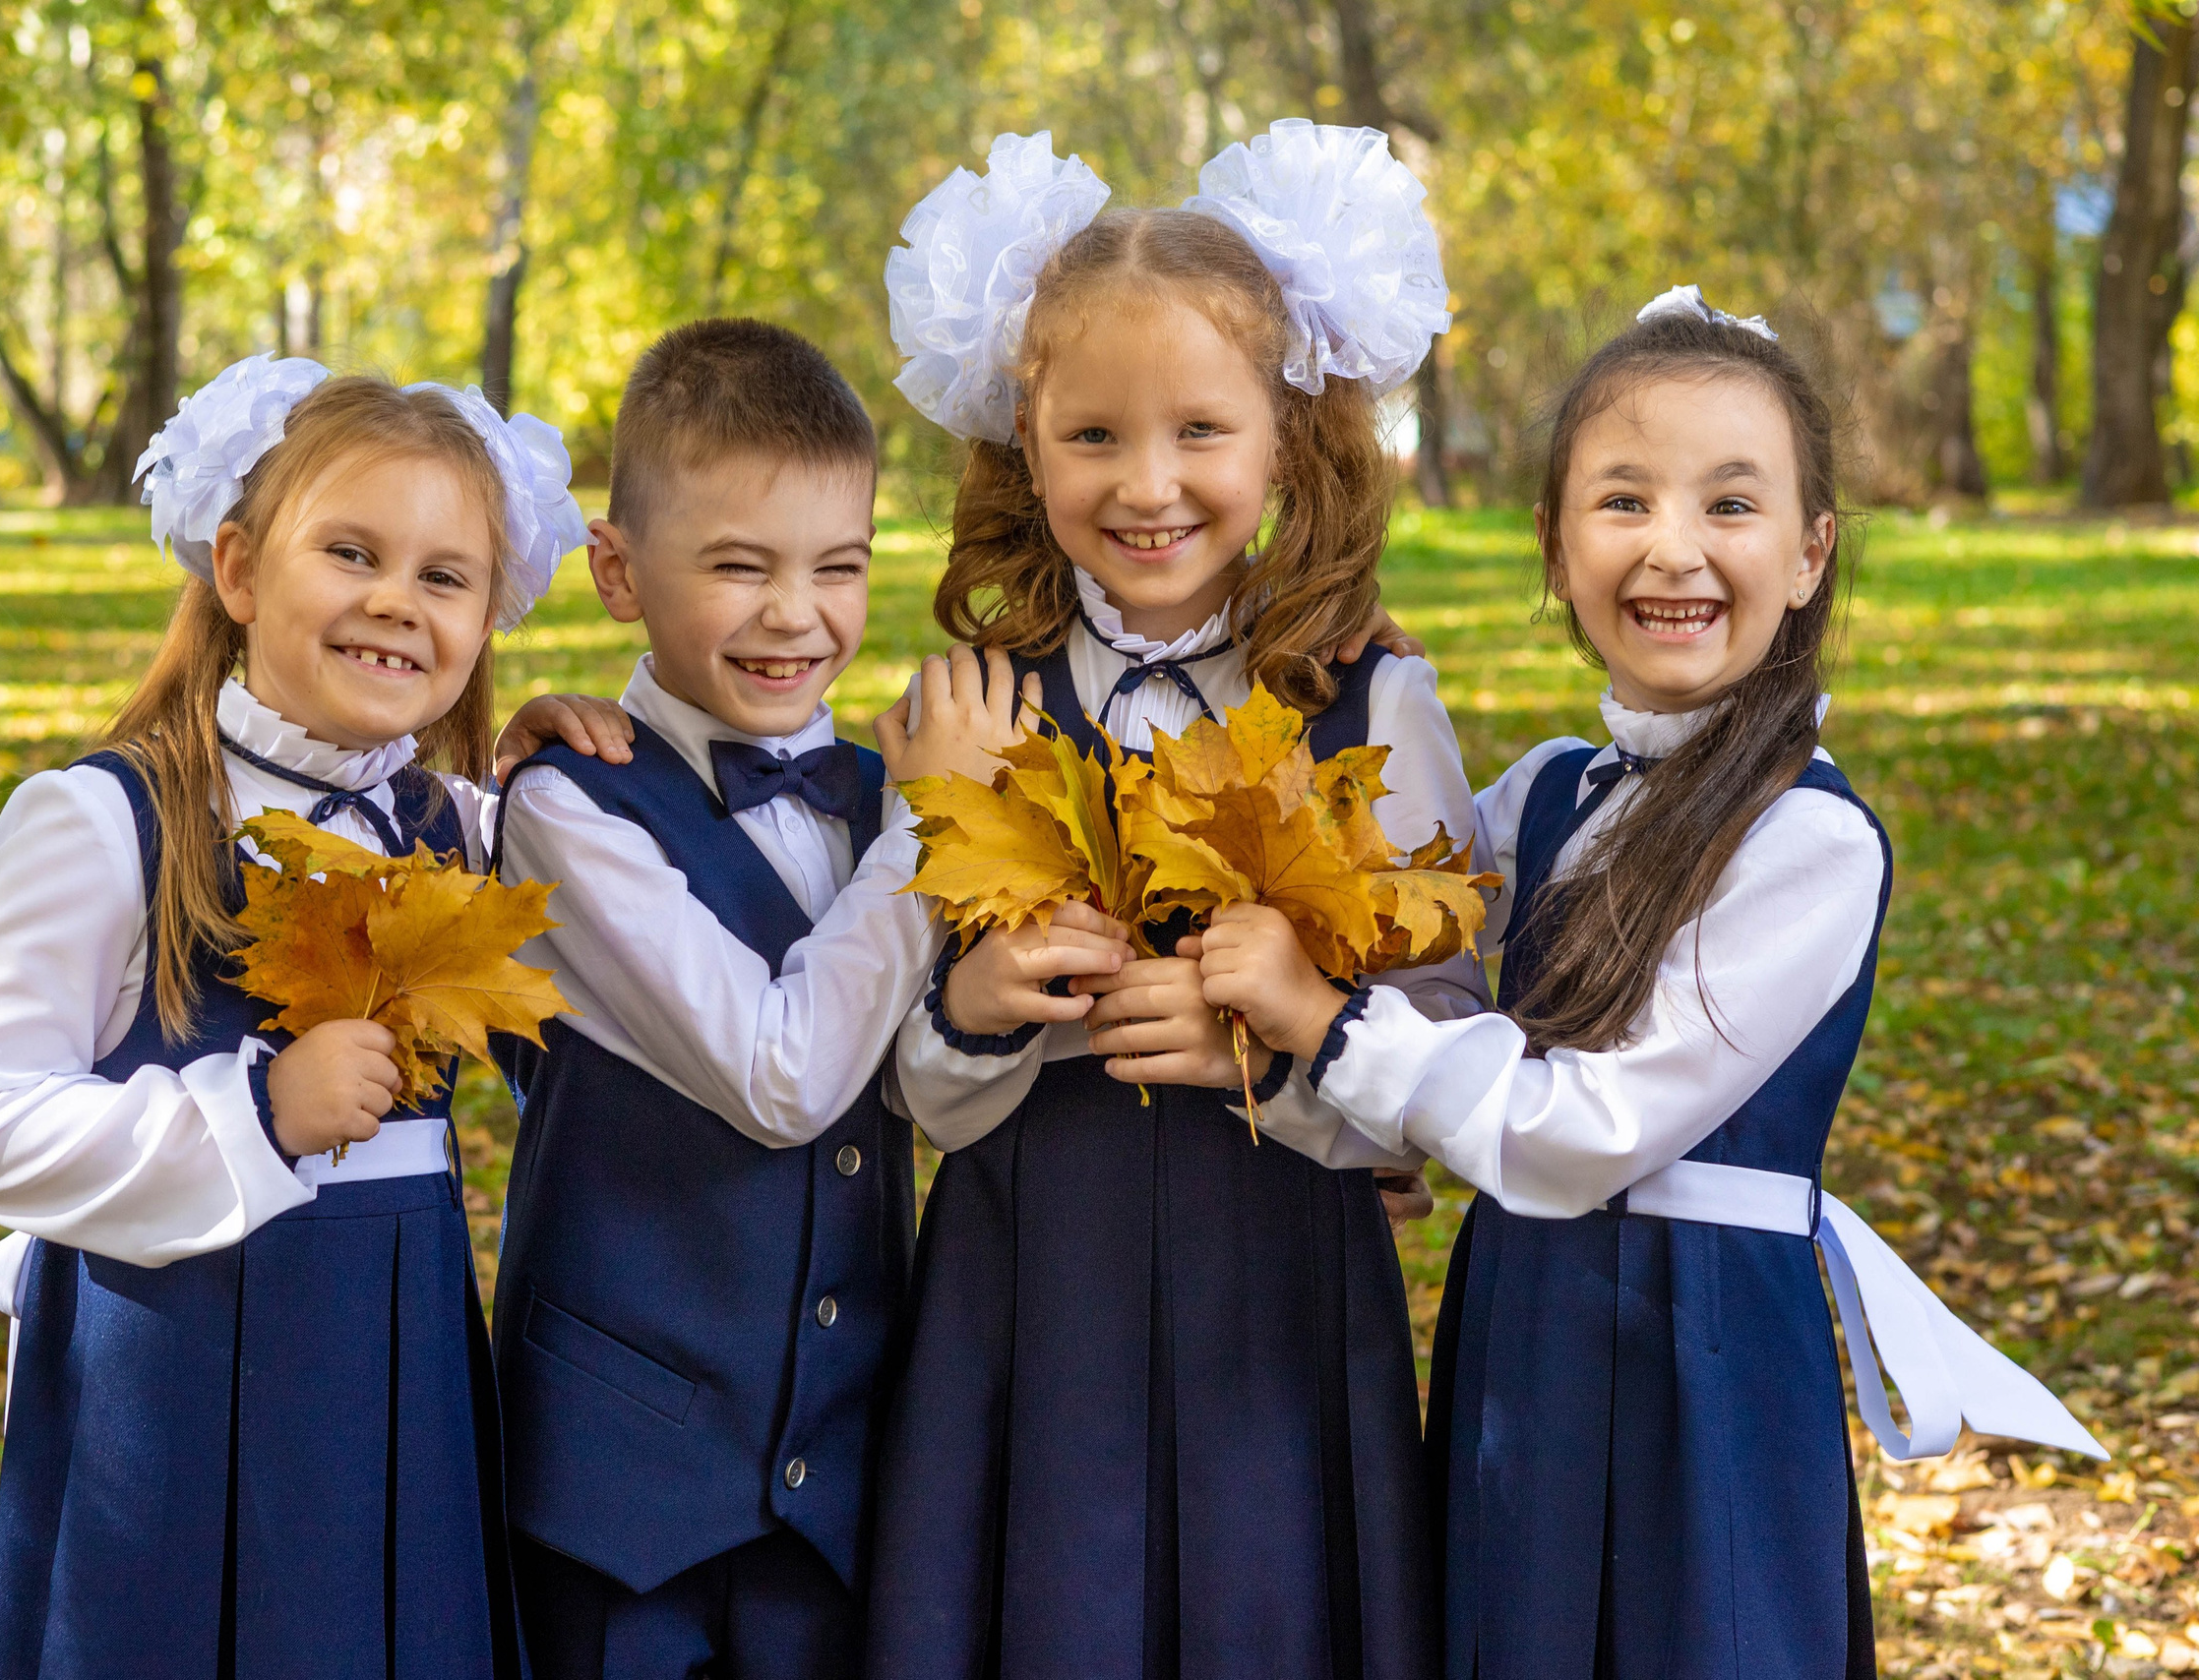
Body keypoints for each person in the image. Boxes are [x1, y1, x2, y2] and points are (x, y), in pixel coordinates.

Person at [1198, 286, 2106, 1679]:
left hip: (1704, 1364)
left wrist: (1326, 1030)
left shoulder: (1806, 839)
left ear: (1811, 554)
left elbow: (1587, 1130)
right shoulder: (1557, 790)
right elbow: (1397, 914)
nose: (1672, 547)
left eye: (1730, 507)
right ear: (1559, 552)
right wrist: (1373, 703)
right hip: (1528, 1333)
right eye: (1622, 501)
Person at [867, 123, 1474, 1680]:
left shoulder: (1372, 702)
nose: (1150, 488)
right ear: (1026, 437)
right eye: (1094, 439)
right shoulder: (971, 710)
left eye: (1202, 430)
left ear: (1284, 438)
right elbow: (909, 1083)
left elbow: (1453, 1054)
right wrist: (973, 1015)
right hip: (1029, 1291)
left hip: (1273, 1288)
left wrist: (1265, 1057)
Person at [0, 357, 584, 1680]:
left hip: (397, 1384)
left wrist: (599, 757)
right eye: (351, 552)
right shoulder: (112, 822)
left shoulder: (468, 836)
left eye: (446, 578)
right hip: (169, 1392)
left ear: (490, 617)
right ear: (238, 570)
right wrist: (253, 1112)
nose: (397, 600)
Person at [490, 318, 1027, 1680]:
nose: (797, 614)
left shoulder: (872, 792)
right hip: (620, 1496)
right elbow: (782, 1077)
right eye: (739, 567)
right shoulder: (570, 808)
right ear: (617, 572)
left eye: (838, 568)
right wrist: (936, 826)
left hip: (838, 1489)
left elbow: (916, 1068)